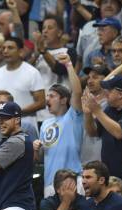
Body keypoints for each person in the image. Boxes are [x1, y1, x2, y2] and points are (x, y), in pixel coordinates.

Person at [34, 54, 84, 198]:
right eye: (47, 96)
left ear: (64, 100)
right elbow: (40, 158)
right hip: (50, 182)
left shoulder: (73, 116)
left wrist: (69, 64)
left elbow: (78, 91)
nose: (47, 99)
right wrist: (36, 149)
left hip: (72, 179)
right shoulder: (45, 123)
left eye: (52, 96)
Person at [0, 37, 45, 132]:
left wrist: (17, 111)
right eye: (3, 48)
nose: (5, 51)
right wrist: (3, 109)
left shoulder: (32, 72)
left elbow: (41, 102)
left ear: (21, 51)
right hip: (0, 130)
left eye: (10, 48)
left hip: (25, 129)